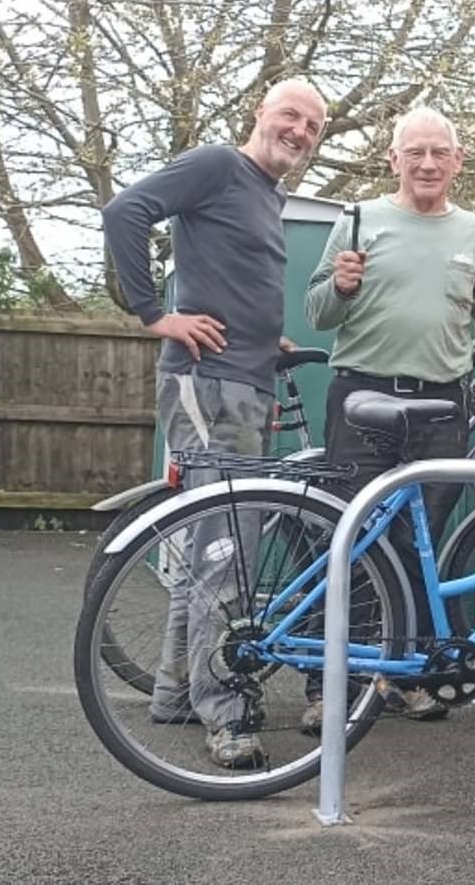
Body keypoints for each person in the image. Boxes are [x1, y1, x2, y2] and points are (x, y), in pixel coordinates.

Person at [102, 78, 328, 768]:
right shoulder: (216, 164)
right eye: (291, 114)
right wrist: (153, 313)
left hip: (246, 377)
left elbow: (235, 278)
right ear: (261, 109)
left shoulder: (265, 190)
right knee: (229, 548)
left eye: (313, 126)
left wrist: (269, 339)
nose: (299, 130)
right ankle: (226, 714)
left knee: (210, 550)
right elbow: (125, 211)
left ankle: (175, 692)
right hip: (210, 384)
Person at [304, 106, 475, 727]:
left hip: (441, 405)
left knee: (418, 546)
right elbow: (317, 314)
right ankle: (327, 686)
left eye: (440, 152)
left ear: (458, 162)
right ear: (394, 160)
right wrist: (344, 287)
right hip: (361, 398)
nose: (428, 164)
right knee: (351, 538)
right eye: (415, 152)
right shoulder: (359, 220)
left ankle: (403, 676)